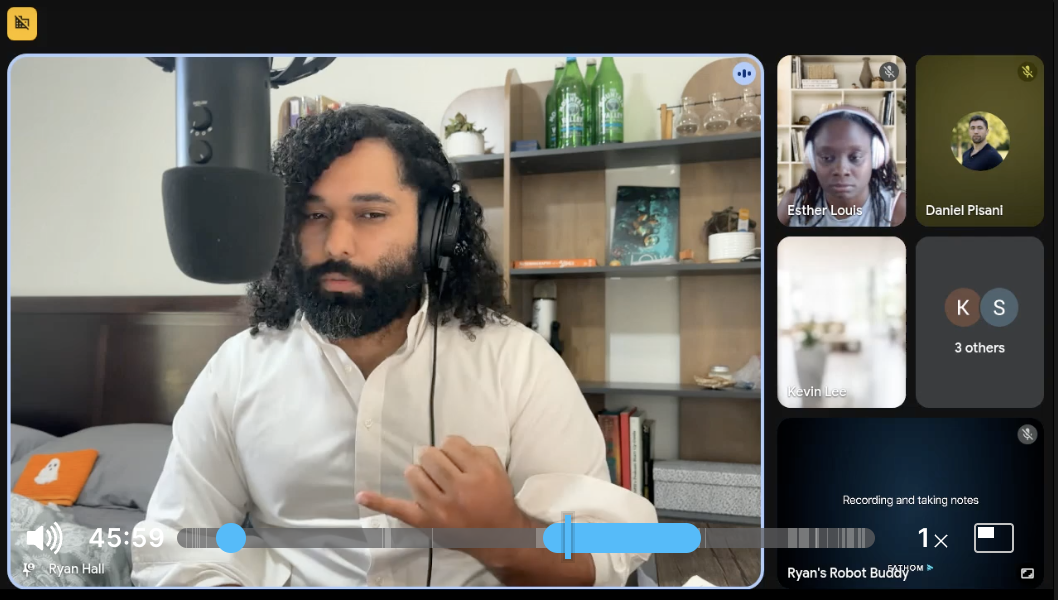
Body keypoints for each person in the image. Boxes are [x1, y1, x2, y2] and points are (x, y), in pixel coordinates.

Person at [131, 105, 656, 587]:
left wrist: (507, 535)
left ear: (434, 231)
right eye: (313, 215)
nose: (336, 244)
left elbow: (608, 551)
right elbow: (174, 546)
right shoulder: (238, 369)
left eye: (370, 214)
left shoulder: (517, 363)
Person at [778, 107, 906, 227]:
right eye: (827, 158)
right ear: (811, 160)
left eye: (855, 157)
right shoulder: (793, 202)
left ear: (876, 158)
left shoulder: (897, 208)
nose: (841, 171)